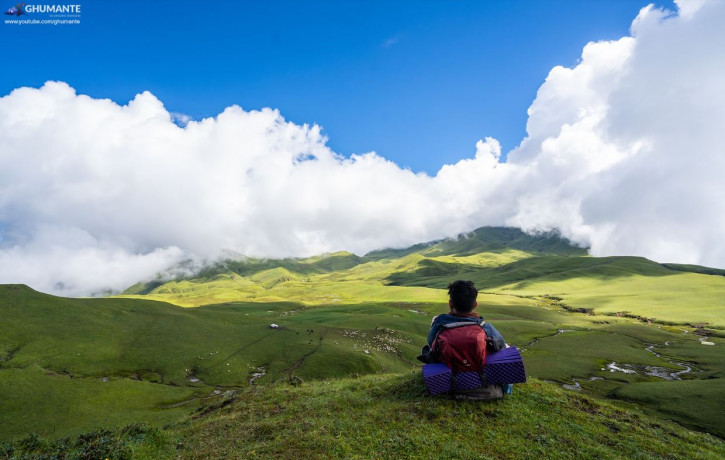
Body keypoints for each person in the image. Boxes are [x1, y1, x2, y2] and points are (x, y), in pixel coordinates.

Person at [426, 280, 506, 352]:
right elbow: (501, 345)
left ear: (450, 304)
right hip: (477, 365)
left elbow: (430, 342)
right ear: (475, 305)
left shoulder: (440, 322)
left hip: (447, 365)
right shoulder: (484, 327)